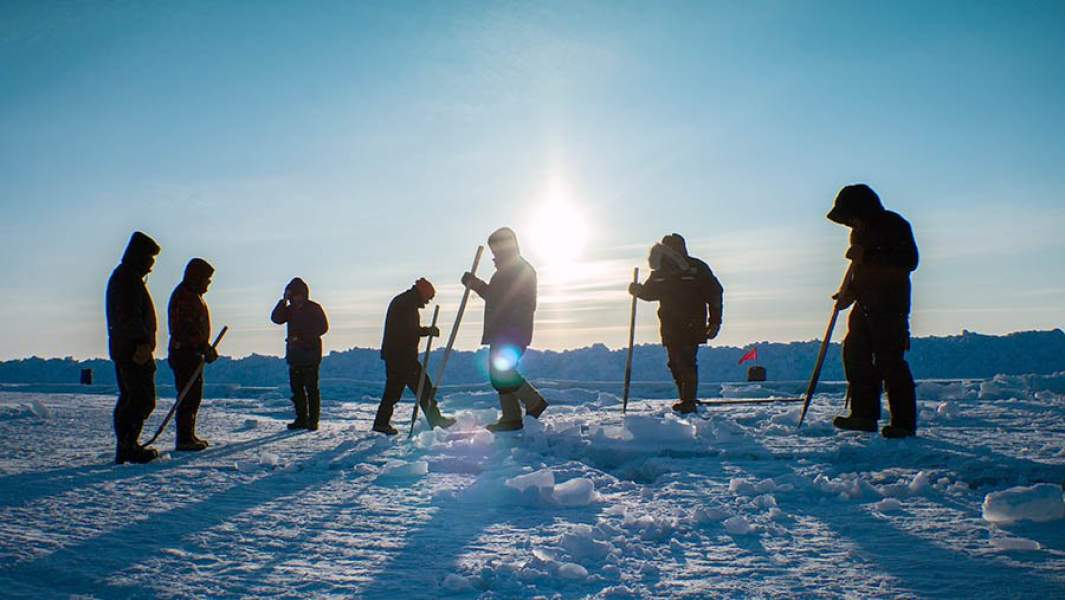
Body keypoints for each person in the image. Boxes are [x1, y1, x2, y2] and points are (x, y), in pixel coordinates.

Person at [827, 184, 919, 438]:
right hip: (864, 305)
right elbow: (861, 271)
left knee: (890, 362)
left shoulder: (894, 225)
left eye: (851, 217)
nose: (849, 224)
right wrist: (849, 293)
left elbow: (908, 261)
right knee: (855, 356)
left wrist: (867, 254)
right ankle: (864, 415)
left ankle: (903, 422)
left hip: (890, 306)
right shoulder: (859, 232)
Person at [462, 227, 548, 432]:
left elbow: (502, 298)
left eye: (497, 248)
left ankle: (534, 401)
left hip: (510, 330)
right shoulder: (508, 269)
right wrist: (476, 284)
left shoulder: (516, 269)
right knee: (499, 371)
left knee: (502, 372)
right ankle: (511, 417)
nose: (495, 253)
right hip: (506, 329)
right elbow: (497, 296)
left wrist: (475, 284)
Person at [629, 234, 724, 414]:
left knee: (686, 360)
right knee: (674, 363)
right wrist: (638, 290)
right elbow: (651, 293)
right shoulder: (660, 271)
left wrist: (715, 320)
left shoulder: (696, 268)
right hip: (670, 323)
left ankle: (688, 401)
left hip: (692, 322)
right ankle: (686, 397)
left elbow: (715, 293)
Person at [372, 278, 456, 435]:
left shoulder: (405, 301)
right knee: (422, 388)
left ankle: (381, 423)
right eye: (429, 298)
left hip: (398, 354)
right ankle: (434, 420)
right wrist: (427, 331)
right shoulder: (406, 304)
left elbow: (408, 329)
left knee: (400, 390)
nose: (428, 302)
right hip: (401, 355)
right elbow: (407, 330)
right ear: (423, 293)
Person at [106, 231, 162, 464]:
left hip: (128, 347)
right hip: (132, 350)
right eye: (149, 260)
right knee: (140, 398)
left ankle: (127, 445)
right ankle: (128, 446)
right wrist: (141, 343)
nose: (151, 267)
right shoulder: (127, 279)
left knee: (133, 397)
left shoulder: (127, 277)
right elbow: (128, 317)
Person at [167, 258, 219, 451]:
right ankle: (184, 438)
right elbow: (185, 329)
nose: (208, 283)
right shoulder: (185, 297)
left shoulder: (193, 295)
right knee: (188, 395)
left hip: (192, 353)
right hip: (184, 354)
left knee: (193, 395)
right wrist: (202, 346)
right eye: (206, 279)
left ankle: (188, 434)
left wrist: (204, 347)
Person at [270, 277, 329, 431]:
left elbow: (323, 328)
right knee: (297, 391)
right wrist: (283, 301)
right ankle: (301, 419)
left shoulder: (314, 308)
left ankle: (313, 421)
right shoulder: (289, 310)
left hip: (310, 354)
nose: (295, 299)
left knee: (311, 390)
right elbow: (276, 319)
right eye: (292, 296)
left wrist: (302, 337)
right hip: (294, 355)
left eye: (297, 295)